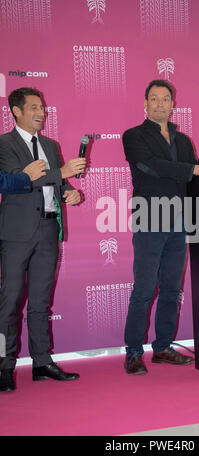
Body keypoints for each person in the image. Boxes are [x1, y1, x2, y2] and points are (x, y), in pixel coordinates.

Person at [123, 79, 199, 375]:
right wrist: (196, 167)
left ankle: (163, 347)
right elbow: (151, 165)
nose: (160, 104)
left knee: (170, 288)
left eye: (165, 99)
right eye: (154, 99)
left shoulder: (182, 140)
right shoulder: (133, 136)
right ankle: (132, 352)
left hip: (179, 219)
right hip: (149, 216)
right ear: (145, 104)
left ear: (172, 104)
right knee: (143, 288)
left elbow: (189, 175)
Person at [0, 87, 86, 392]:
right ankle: (4, 365)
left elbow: (57, 183)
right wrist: (58, 173)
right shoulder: (4, 145)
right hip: (16, 234)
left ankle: (41, 362)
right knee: (8, 302)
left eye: (43, 108)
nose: (41, 113)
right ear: (16, 111)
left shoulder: (50, 145)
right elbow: (15, 182)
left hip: (49, 231)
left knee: (39, 302)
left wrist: (69, 192)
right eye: (34, 108)